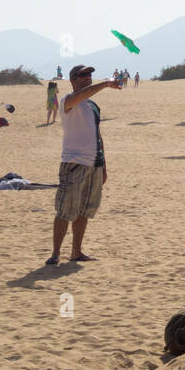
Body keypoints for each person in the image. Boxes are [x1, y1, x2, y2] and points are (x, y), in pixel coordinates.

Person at [46, 65, 121, 265]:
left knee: (84, 210)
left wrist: (103, 164)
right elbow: (81, 95)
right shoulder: (67, 101)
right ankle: (55, 253)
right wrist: (105, 84)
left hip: (94, 163)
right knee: (65, 209)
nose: (87, 77)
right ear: (72, 80)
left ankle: (76, 252)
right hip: (74, 162)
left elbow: (97, 133)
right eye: (83, 75)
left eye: (89, 75)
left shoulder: (93, 106)